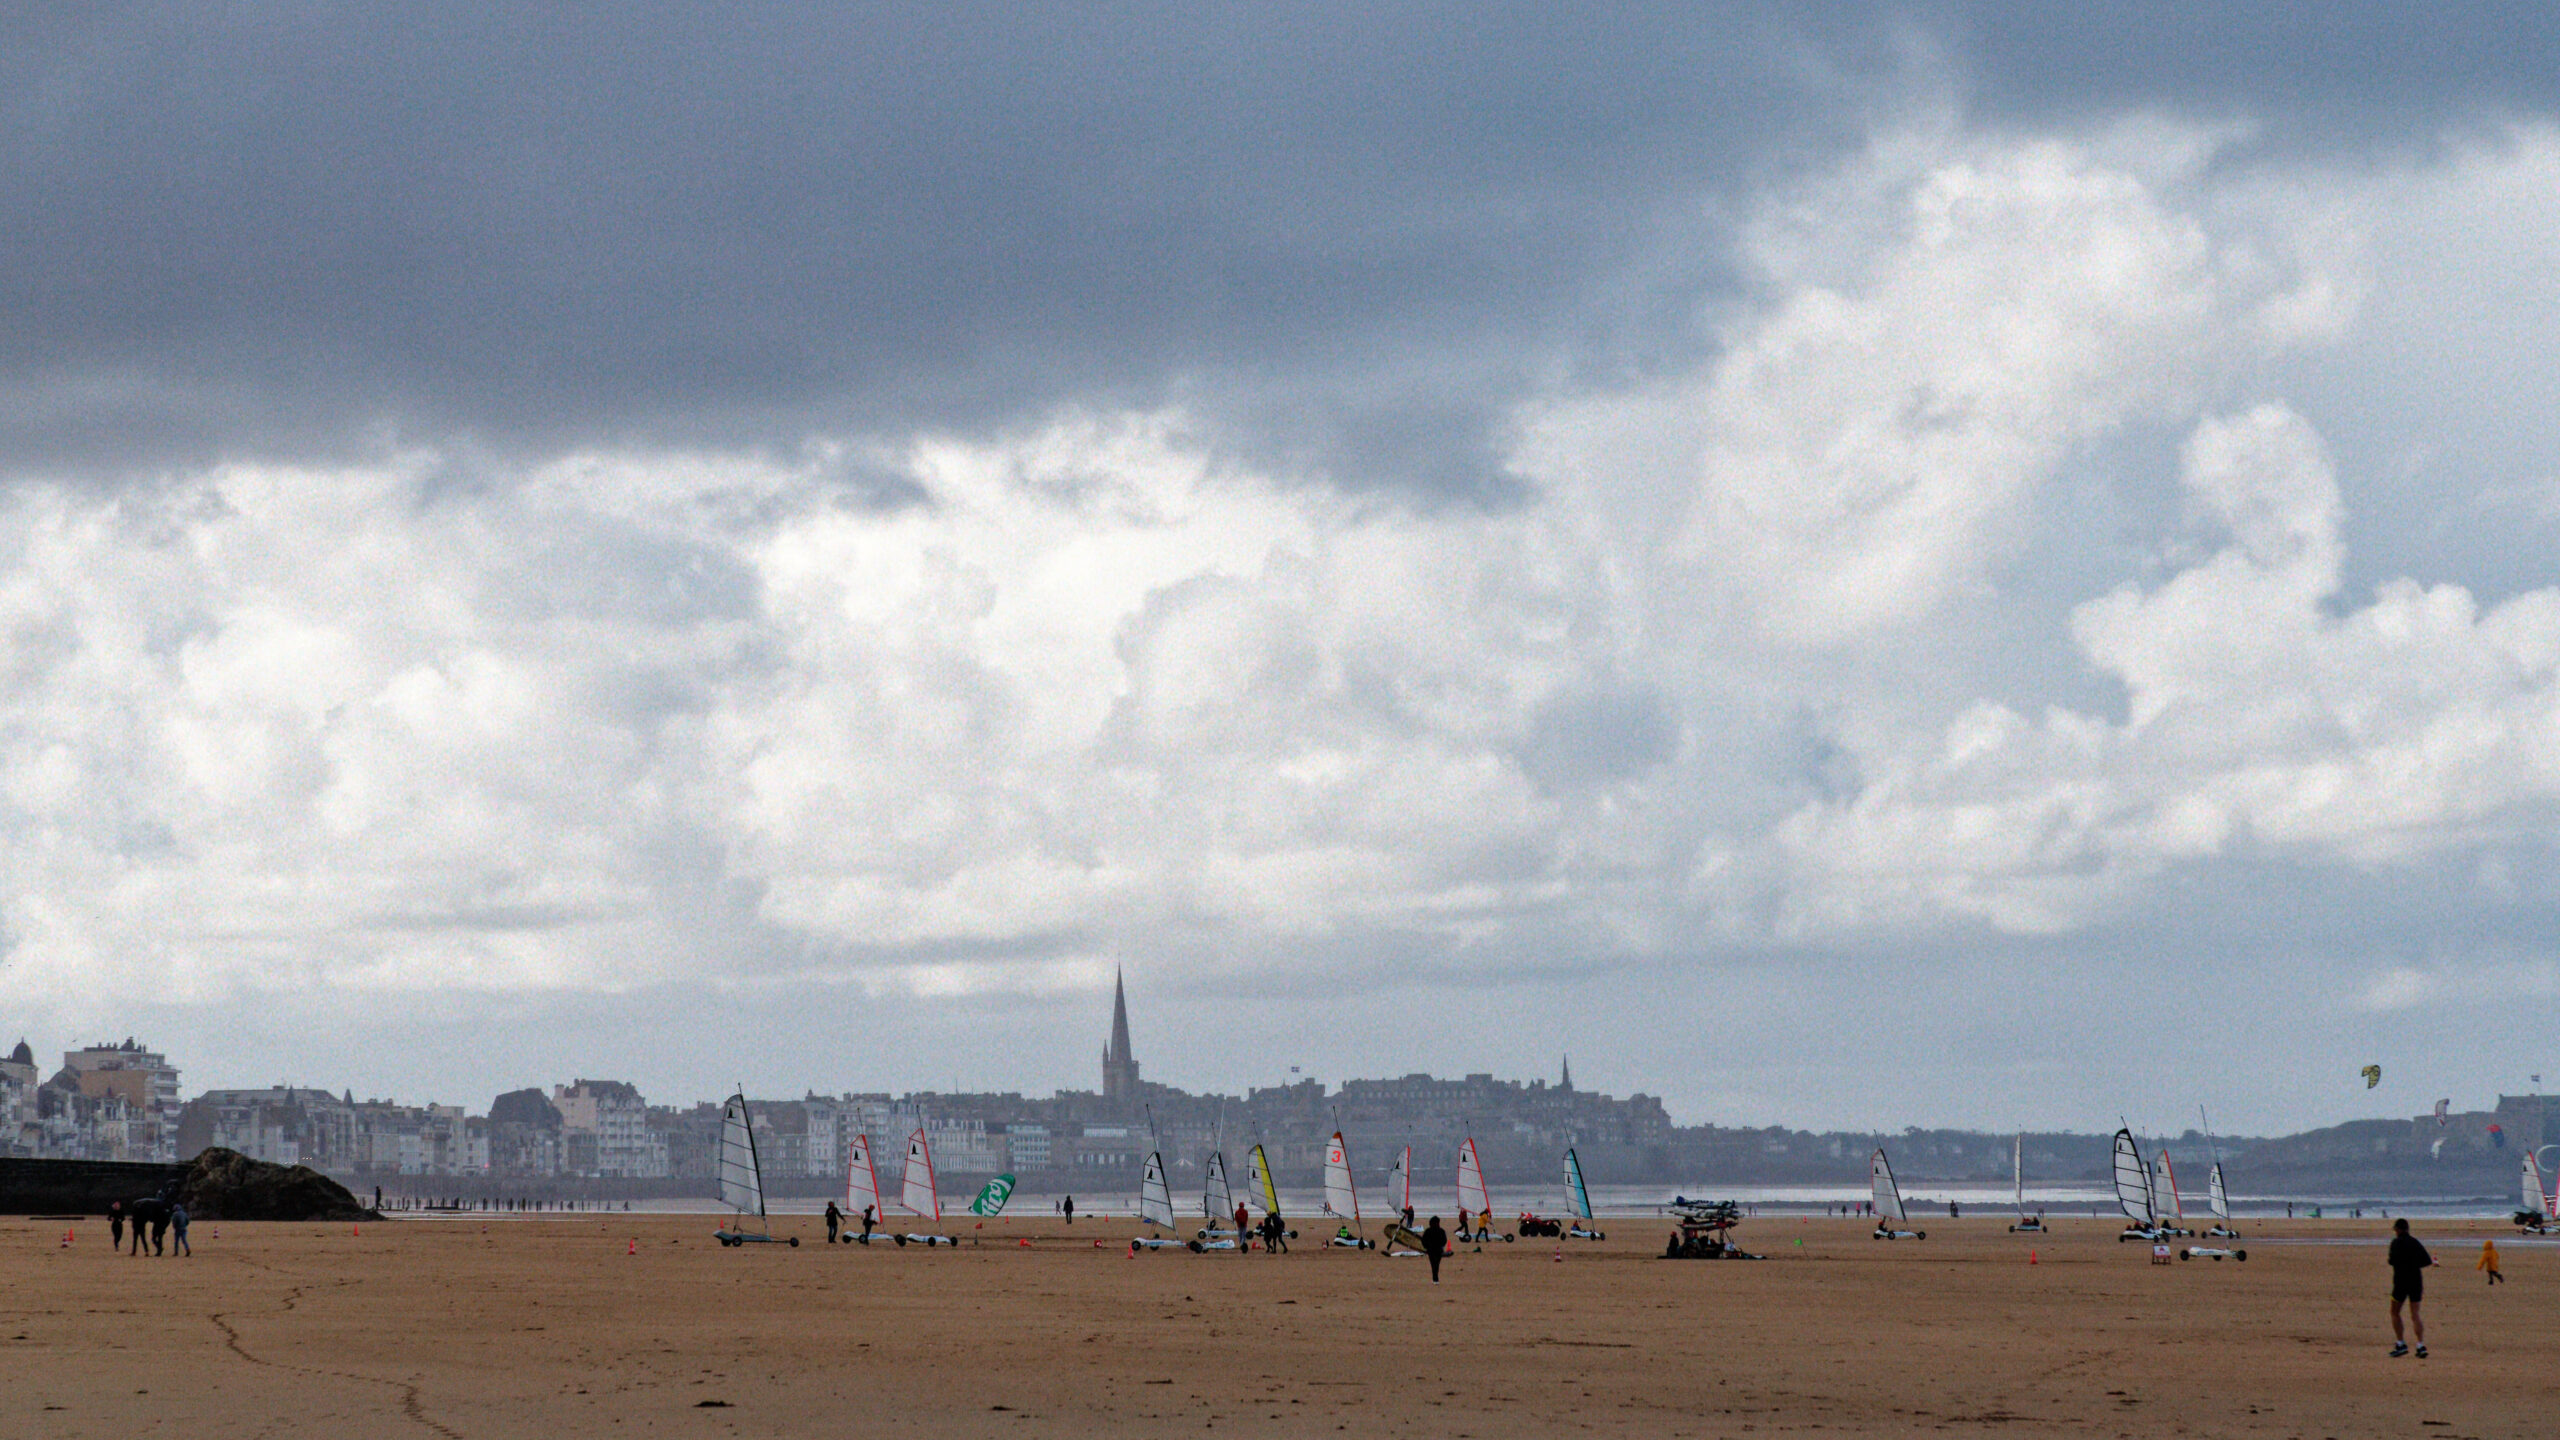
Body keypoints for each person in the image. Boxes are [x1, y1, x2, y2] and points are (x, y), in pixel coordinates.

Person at [2388, 1218, 2432, 1357]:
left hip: (2401, 1281)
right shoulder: (2414, 1242)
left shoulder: (2396, 1243)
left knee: (2395, 1312)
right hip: (2416, 1281)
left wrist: (2403, 1264)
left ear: (2399, 1229)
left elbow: (2391, 1260)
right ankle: (2420, 1345)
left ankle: (2400, 1343)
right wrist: (2414, 1264)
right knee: (2415, 1314)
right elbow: (2427, 1260)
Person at [1421, 1215, 1449, 1283]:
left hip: (1431, 1250)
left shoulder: (1428, 1231)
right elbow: (1444, 1241)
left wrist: (1426, 1247)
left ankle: (1435, 1278)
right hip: (1438, 1250)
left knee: (1433, 1264)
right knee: (1436, 1264)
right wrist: (1441, 1246)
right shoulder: (1441, 1231)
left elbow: (1423, 1240)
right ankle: (1435, 1278)